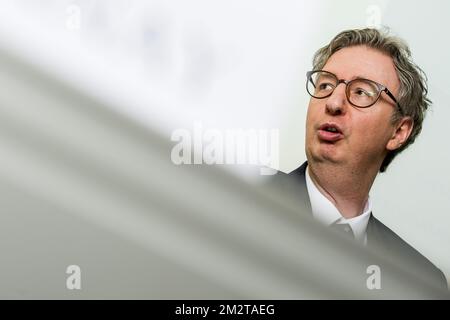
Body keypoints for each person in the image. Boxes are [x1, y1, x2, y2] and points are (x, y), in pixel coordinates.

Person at [271, 28, 447, 293]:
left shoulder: (420, 283)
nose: (334, 102)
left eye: (362, 92)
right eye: (325, 85)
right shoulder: (238, 204)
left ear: (399, 131)